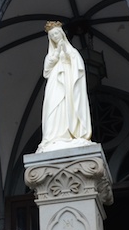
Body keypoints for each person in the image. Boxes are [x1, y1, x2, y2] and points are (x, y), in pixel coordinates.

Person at [37, 21, 93, 153]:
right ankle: (53, 137)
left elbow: (78, 66)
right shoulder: (50, 55)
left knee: (69, 106)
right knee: (54, 107)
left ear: (62, 34)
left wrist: (66, 53)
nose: (55, 37)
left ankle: (71, 133)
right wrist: (56, 54)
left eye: (57, 33)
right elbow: (46, 71)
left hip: (69, 83)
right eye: (52, 36)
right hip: (55, 84)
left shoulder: (71, 51)